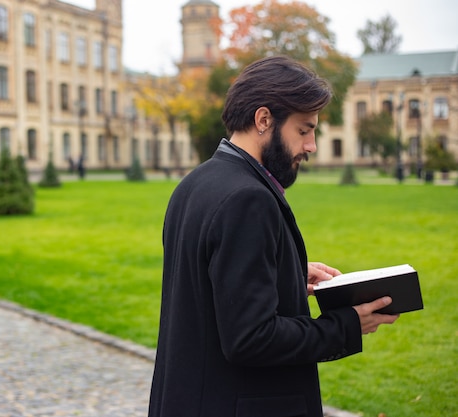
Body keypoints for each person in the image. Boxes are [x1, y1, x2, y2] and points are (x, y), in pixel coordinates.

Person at [147, 56, 399, 417]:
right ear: (264, 120)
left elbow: (209, 290)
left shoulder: (194, 183)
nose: (311, 145)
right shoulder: (248, 198)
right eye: (303, 130)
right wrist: (347, 325)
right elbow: (251, 339)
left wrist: (285, 275)